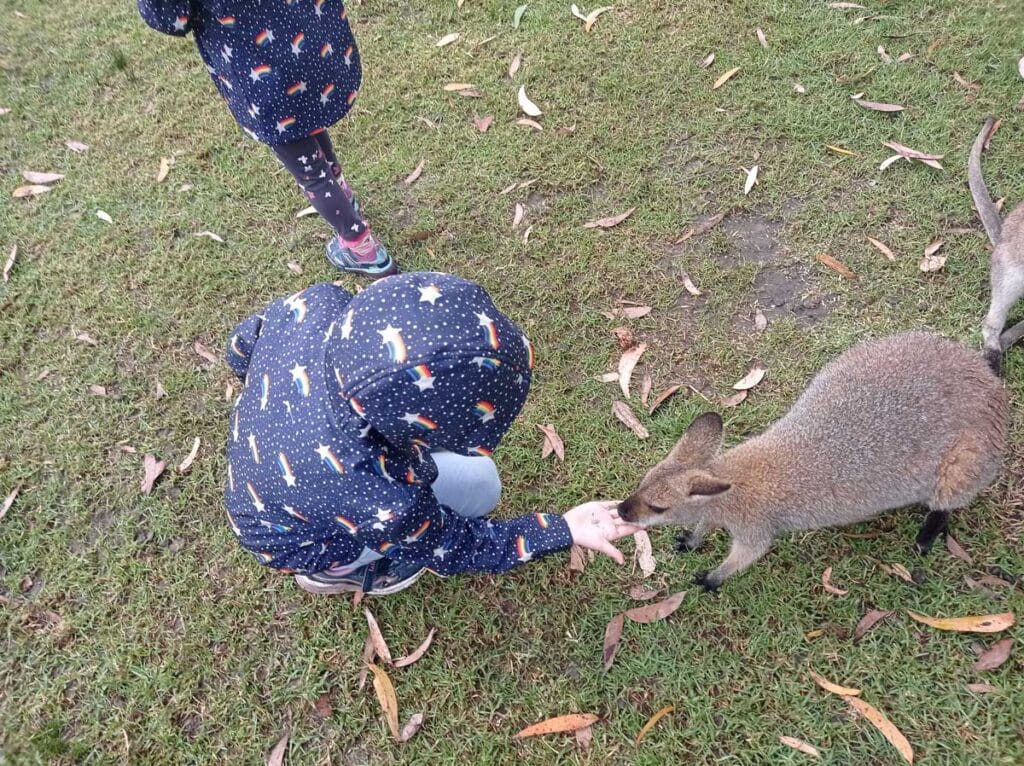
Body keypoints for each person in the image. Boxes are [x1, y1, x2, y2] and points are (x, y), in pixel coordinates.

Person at [225, 273, 639, 594]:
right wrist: (563, 528)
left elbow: (246, 340)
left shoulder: (320, 303)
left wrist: (252, 376)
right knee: (481, 485)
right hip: (291, 540)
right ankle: (338, 571)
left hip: (266, 463)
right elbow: (456, 546)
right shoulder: (382, 493)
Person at [137, 0, 394, 276]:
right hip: (312, 44)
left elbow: (171, 18)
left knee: (312, 175)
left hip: (264, 79)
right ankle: (343, 196)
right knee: (309, 124)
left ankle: (361, 248)